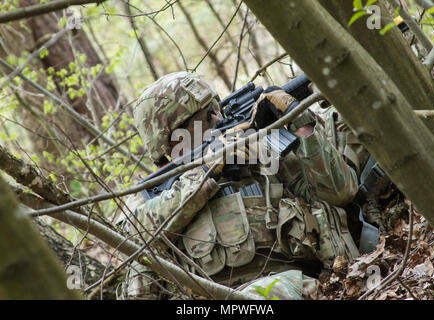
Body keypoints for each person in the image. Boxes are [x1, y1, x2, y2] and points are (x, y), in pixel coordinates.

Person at [119, 71, 361, 300]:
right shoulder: (149, 198)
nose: (218, 118)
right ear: (171, 142)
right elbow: (134, 240)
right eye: (205, 117)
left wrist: (299, 122)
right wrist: (206, 173)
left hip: (293, 285)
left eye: (215, 108)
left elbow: (341, 193)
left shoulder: (263, 152)